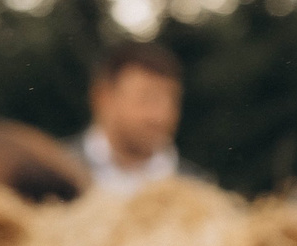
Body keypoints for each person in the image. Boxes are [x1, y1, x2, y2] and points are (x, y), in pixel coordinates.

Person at [71, 42, 207, 193]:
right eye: (147, 99)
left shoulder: (198, 188)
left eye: (172, 101)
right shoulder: (54, 173)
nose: (161, 116)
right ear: (103, 98)